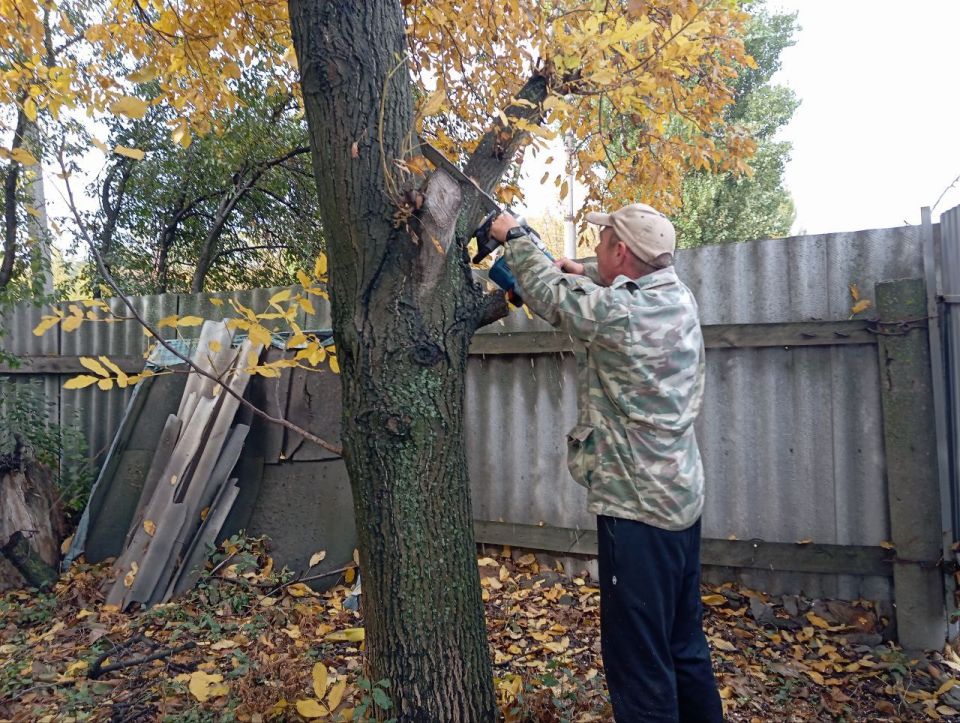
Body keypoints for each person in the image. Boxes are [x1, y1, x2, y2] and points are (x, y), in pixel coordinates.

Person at [489, 204, 723, 722]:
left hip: (637, 510)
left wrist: (516, 235)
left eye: (602, 241)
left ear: (622, 251)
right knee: (683, 645)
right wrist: (581, 270)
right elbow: (612, 286)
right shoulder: (674, 296)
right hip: (680, 502)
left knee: (639, 664)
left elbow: (554, 300)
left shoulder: (622, 315)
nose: (595, 247)